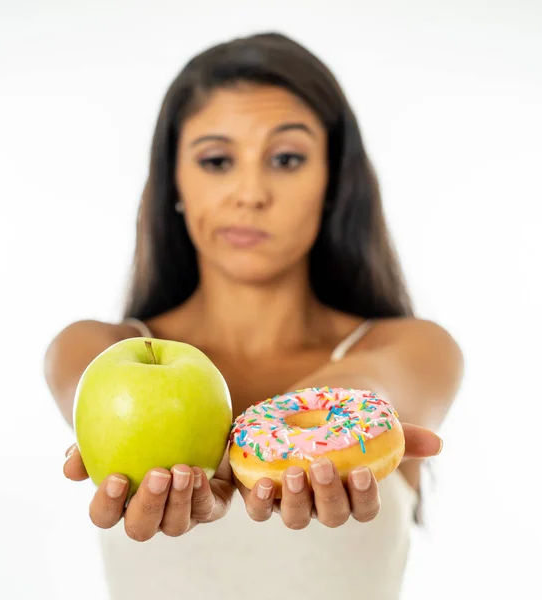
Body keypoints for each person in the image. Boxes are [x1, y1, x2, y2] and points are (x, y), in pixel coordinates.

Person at [44, 32, 464, 600]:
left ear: (333, 182)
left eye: (286, 159)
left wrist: (245, 459)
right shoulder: (91, 348)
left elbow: (364, 390)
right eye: (217, 161)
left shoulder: (414, 349)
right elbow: (91, 398)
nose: (250, 192)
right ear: (176, 182)